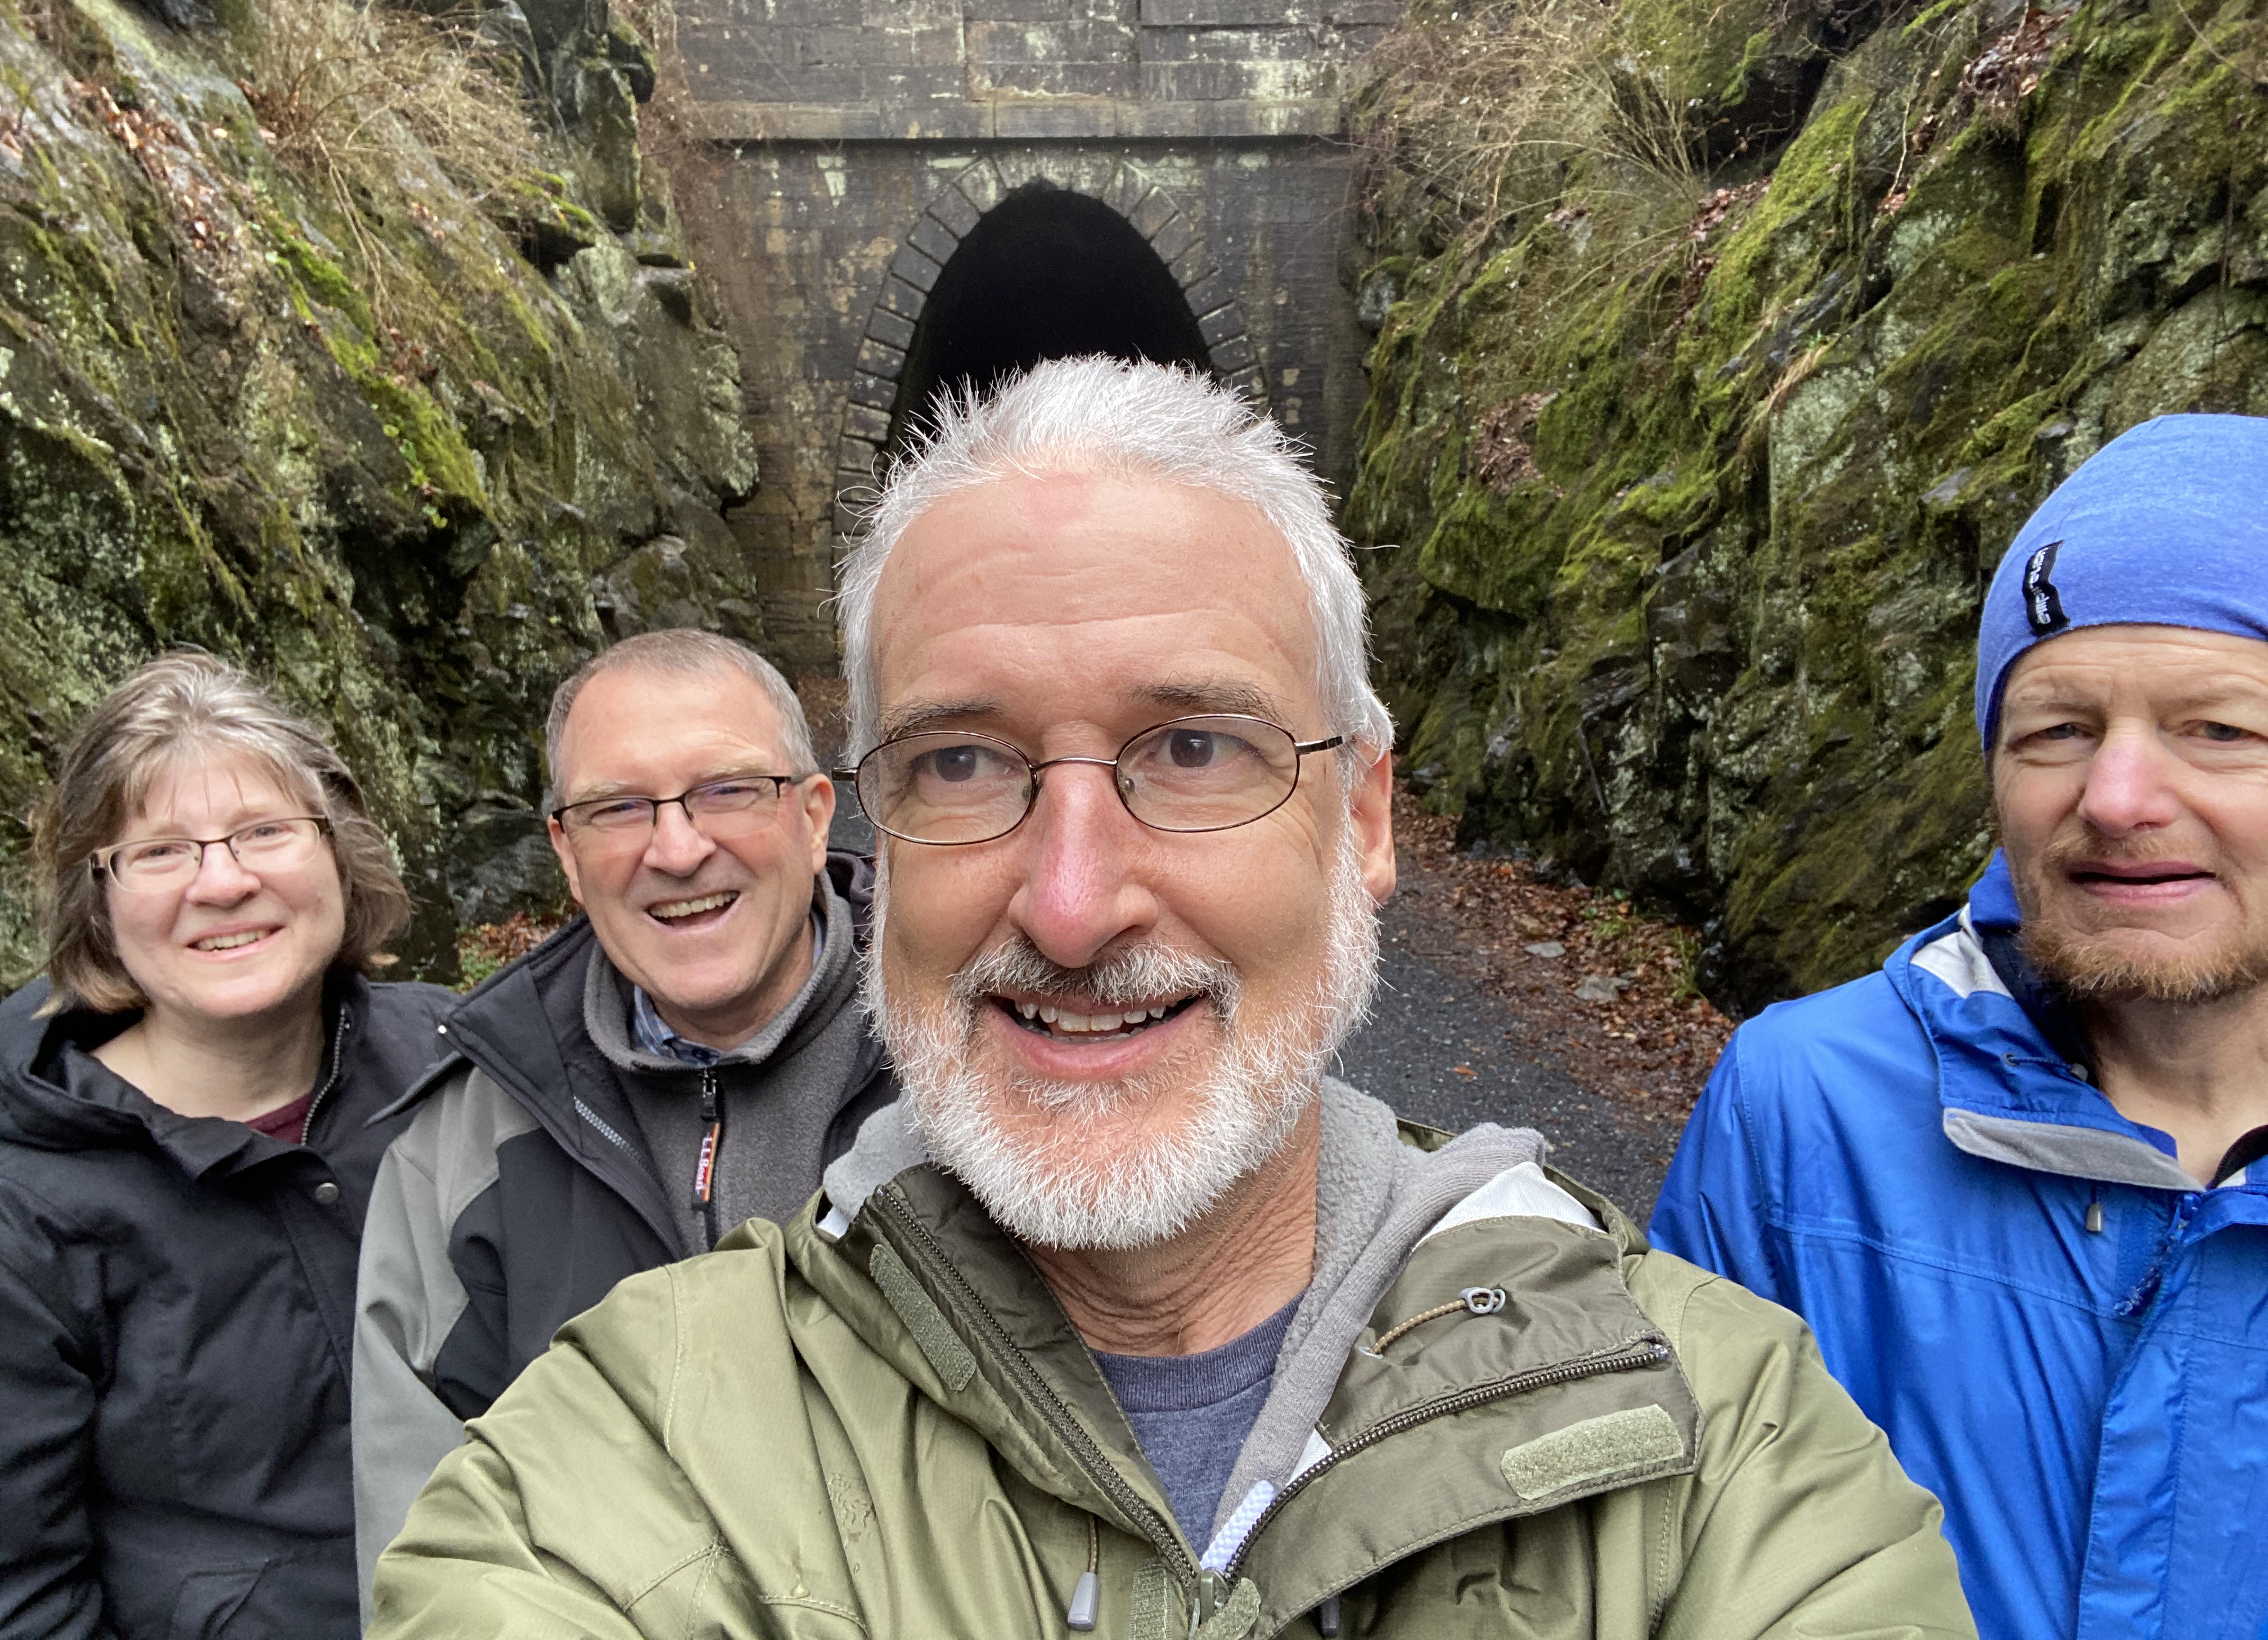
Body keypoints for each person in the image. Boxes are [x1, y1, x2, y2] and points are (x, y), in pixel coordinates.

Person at [367, 360, 1972, 1639]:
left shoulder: (1728, 1454)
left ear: (1362, 819)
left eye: (1195, 750)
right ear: (878, 835)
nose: (1072, 907)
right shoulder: (632, 1452)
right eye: (963, 762)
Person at [1650, 412, 2268, 1640]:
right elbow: (1674, 1559)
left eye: (2220, 729)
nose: (2118, 799)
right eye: (2058, 731)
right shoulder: (1805, 1110)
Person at [351, 628, 892, 1594]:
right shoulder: (466, 1146)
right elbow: (430, 1550)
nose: (676, 850)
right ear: (566, 851)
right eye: (618, 809)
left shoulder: (967, 1068)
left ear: (817, 816)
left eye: (727, 791)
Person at [0, 651, 452, 1640]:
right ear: (97, 899)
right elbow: (23, 1598)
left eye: (264, 832)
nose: (223, 881)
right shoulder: (27, 1195)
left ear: (340, 851)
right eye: (161, 852)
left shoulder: (464, 1067)